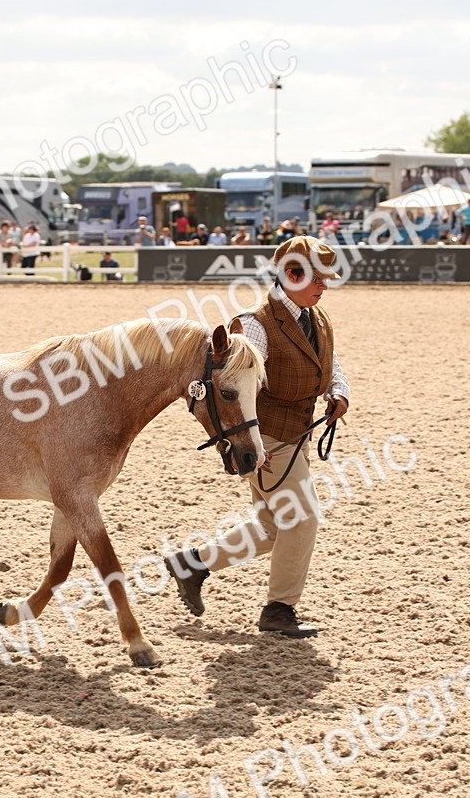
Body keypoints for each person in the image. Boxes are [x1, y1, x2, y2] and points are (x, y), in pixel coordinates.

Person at [164, 235, 350, 638]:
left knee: (271, 528)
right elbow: (238, 386)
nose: (324, 286)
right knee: (302, 518)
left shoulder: (317, 318)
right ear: (291, 275)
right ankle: (279, 610)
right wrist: (247, 447)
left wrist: (339, 391)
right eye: (317, 278)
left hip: (294, 433)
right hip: (264, 437)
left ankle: (192, 563)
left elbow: (330, 363)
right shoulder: (254, 325)